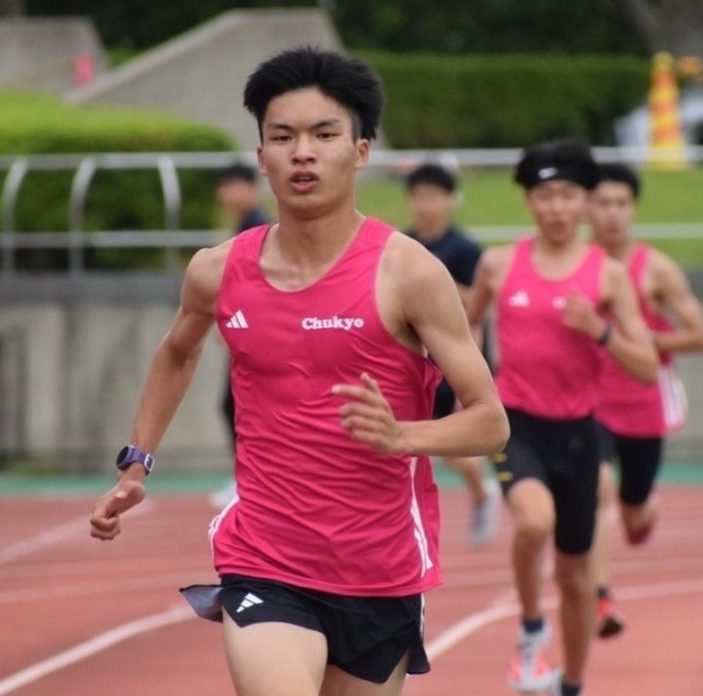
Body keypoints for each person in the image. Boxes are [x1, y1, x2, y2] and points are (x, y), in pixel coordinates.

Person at [90, 46, 509, 696]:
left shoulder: (409, 274)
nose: (302, 153)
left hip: (380, 569)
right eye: (283, 137)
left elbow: (490, 422)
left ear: (360, 151)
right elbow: (177, 351)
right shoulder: (217, 270)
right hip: (266, 556)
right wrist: (137, 461)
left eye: (324, 135)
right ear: (262, 157)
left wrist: (402, 436)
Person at [467, 140, 658, 696]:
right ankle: (531, 632)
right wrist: (469, 390)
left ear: (586, 203)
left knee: (576, 579)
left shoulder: (609, 276)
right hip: (515, 424)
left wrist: (599, 331)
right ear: (529, 201)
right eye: (545, 195)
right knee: (533, 522)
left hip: (577, 434)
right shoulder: (499, 264)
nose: (556, 207)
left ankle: (571, 683)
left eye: (568, 195)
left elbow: (647, 367)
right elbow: (464, 327)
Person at [586, 163, 703, 639]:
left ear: (633, 209)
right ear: (588, 208)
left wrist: (642, 341)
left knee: (634, 516)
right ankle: (602, 597)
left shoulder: (656, 269)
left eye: (621, 204)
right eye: (603, 203)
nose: (612, 214)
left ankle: (644, 506)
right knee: (598, 489)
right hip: (590, 402)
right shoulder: (577, 265)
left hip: (643, 403)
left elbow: (699, 336)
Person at [403, 162, 500, 547]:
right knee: (409, 446)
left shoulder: (464, 249)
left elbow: (478, 305)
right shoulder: (404, 245)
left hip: (454, 356)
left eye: (435, 196)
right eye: (421, 196)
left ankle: (482, 494)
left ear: (449, 200)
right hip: (417, 358)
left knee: (455, 450)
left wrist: (440, 287)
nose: (427, 204)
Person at [209, 163, 273, 509]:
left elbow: (256, 285)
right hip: (245, 329)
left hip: (252, 332)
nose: (229, 193)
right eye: (225, 186)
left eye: (236, 185)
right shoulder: (245, 225)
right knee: (234, 405)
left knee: (239, 406)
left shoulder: (257, 227)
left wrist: (237, 325)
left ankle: (249, 480)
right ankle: (247, 477)